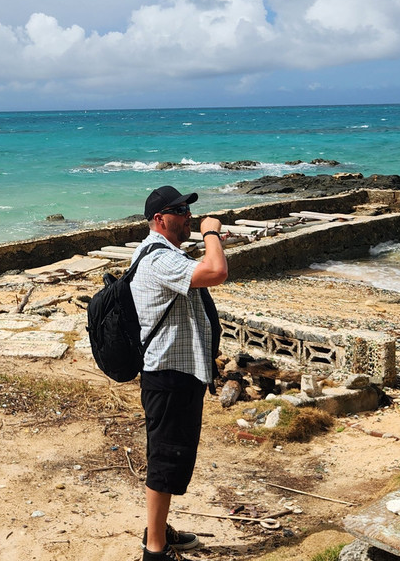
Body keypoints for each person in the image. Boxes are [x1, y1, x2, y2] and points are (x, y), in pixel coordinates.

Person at [132, 186, 227, 561]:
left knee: (170, 457)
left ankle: (158, 530)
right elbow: (215, 271)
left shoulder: (165, 255)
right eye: (180, 210)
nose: (188, 215)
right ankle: (155, 549)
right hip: (169, 374)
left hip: (178, 372)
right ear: (160, 219)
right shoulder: (159, 259)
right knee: (166, 460)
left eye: (189, 210)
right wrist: (211, 233)